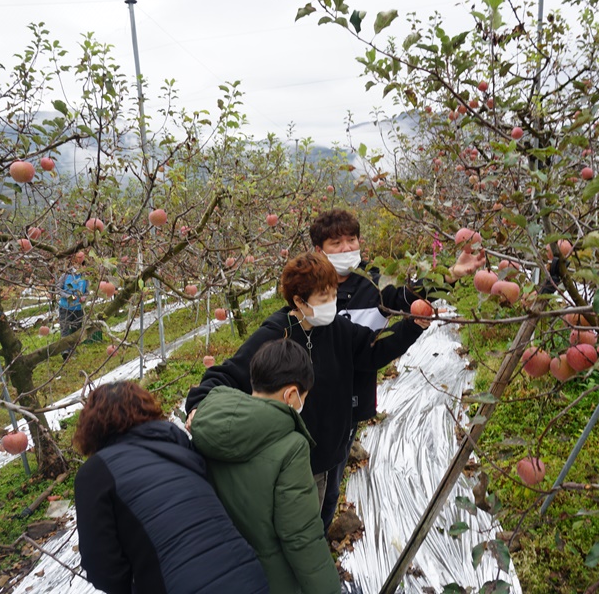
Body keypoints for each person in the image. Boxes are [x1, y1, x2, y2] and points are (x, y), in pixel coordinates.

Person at [186, 252, 429, 510]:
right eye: (323, 298)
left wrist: (412, 326)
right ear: (299, 301)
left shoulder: (338, 328)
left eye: (334, 295)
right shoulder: (275, 335)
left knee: (326, 508)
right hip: (293, 463)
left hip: (333, 451)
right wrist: (199, 404)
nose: (332, 304)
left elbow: (373, 349)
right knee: (302, 525)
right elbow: (228, 374)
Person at [309, 209, 486, 532]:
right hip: (308, 401)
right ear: (319, 250)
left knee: (330, 482)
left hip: (349, 401)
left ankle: (316, 537)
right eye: (336, 243)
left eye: (352, 240)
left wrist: (451, 274)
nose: (347, 247)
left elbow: (410, 297)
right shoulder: (309, 288)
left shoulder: (374, 284)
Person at [73, 381, 269, 594]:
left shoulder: (95, 473)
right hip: (248, 576)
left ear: (90, 426)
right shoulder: (178, 446)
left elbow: (101, 567)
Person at [192, 339, 340, 594]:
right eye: (304, 396)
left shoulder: (208, 418)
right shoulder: (290, 447)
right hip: (267, 579)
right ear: (292, 394)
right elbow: (301, 537)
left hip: (216, 568)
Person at [57, 260, 88, 360]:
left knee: (76, 331)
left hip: (78, 308)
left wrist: (84, 297)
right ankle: (65, 352)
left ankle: (72, 350)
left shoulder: (85, 278)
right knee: (65, 329)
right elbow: (58, 288)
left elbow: (86, 291)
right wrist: (68, 296)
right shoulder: (66, 275)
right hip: (65, 307)